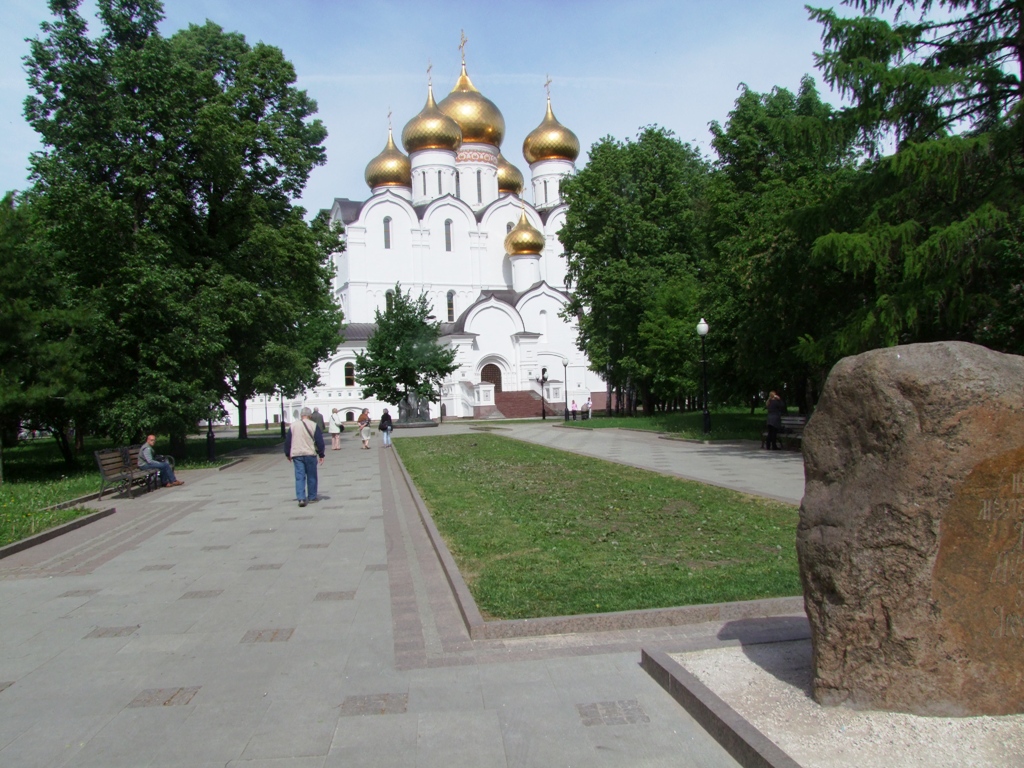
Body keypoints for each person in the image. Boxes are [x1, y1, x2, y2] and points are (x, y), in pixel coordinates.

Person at [284, 407, 325, 507]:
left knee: (299, 477)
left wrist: (287, 454)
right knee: (312, 476)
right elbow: (319, 441)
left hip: (297, 454)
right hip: (310, 453)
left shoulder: (293, 426)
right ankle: (312, 497)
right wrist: (321, 454)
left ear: (301, 415)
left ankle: (301, 498)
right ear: (310, 415)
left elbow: (288, 441)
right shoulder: (313, 425)